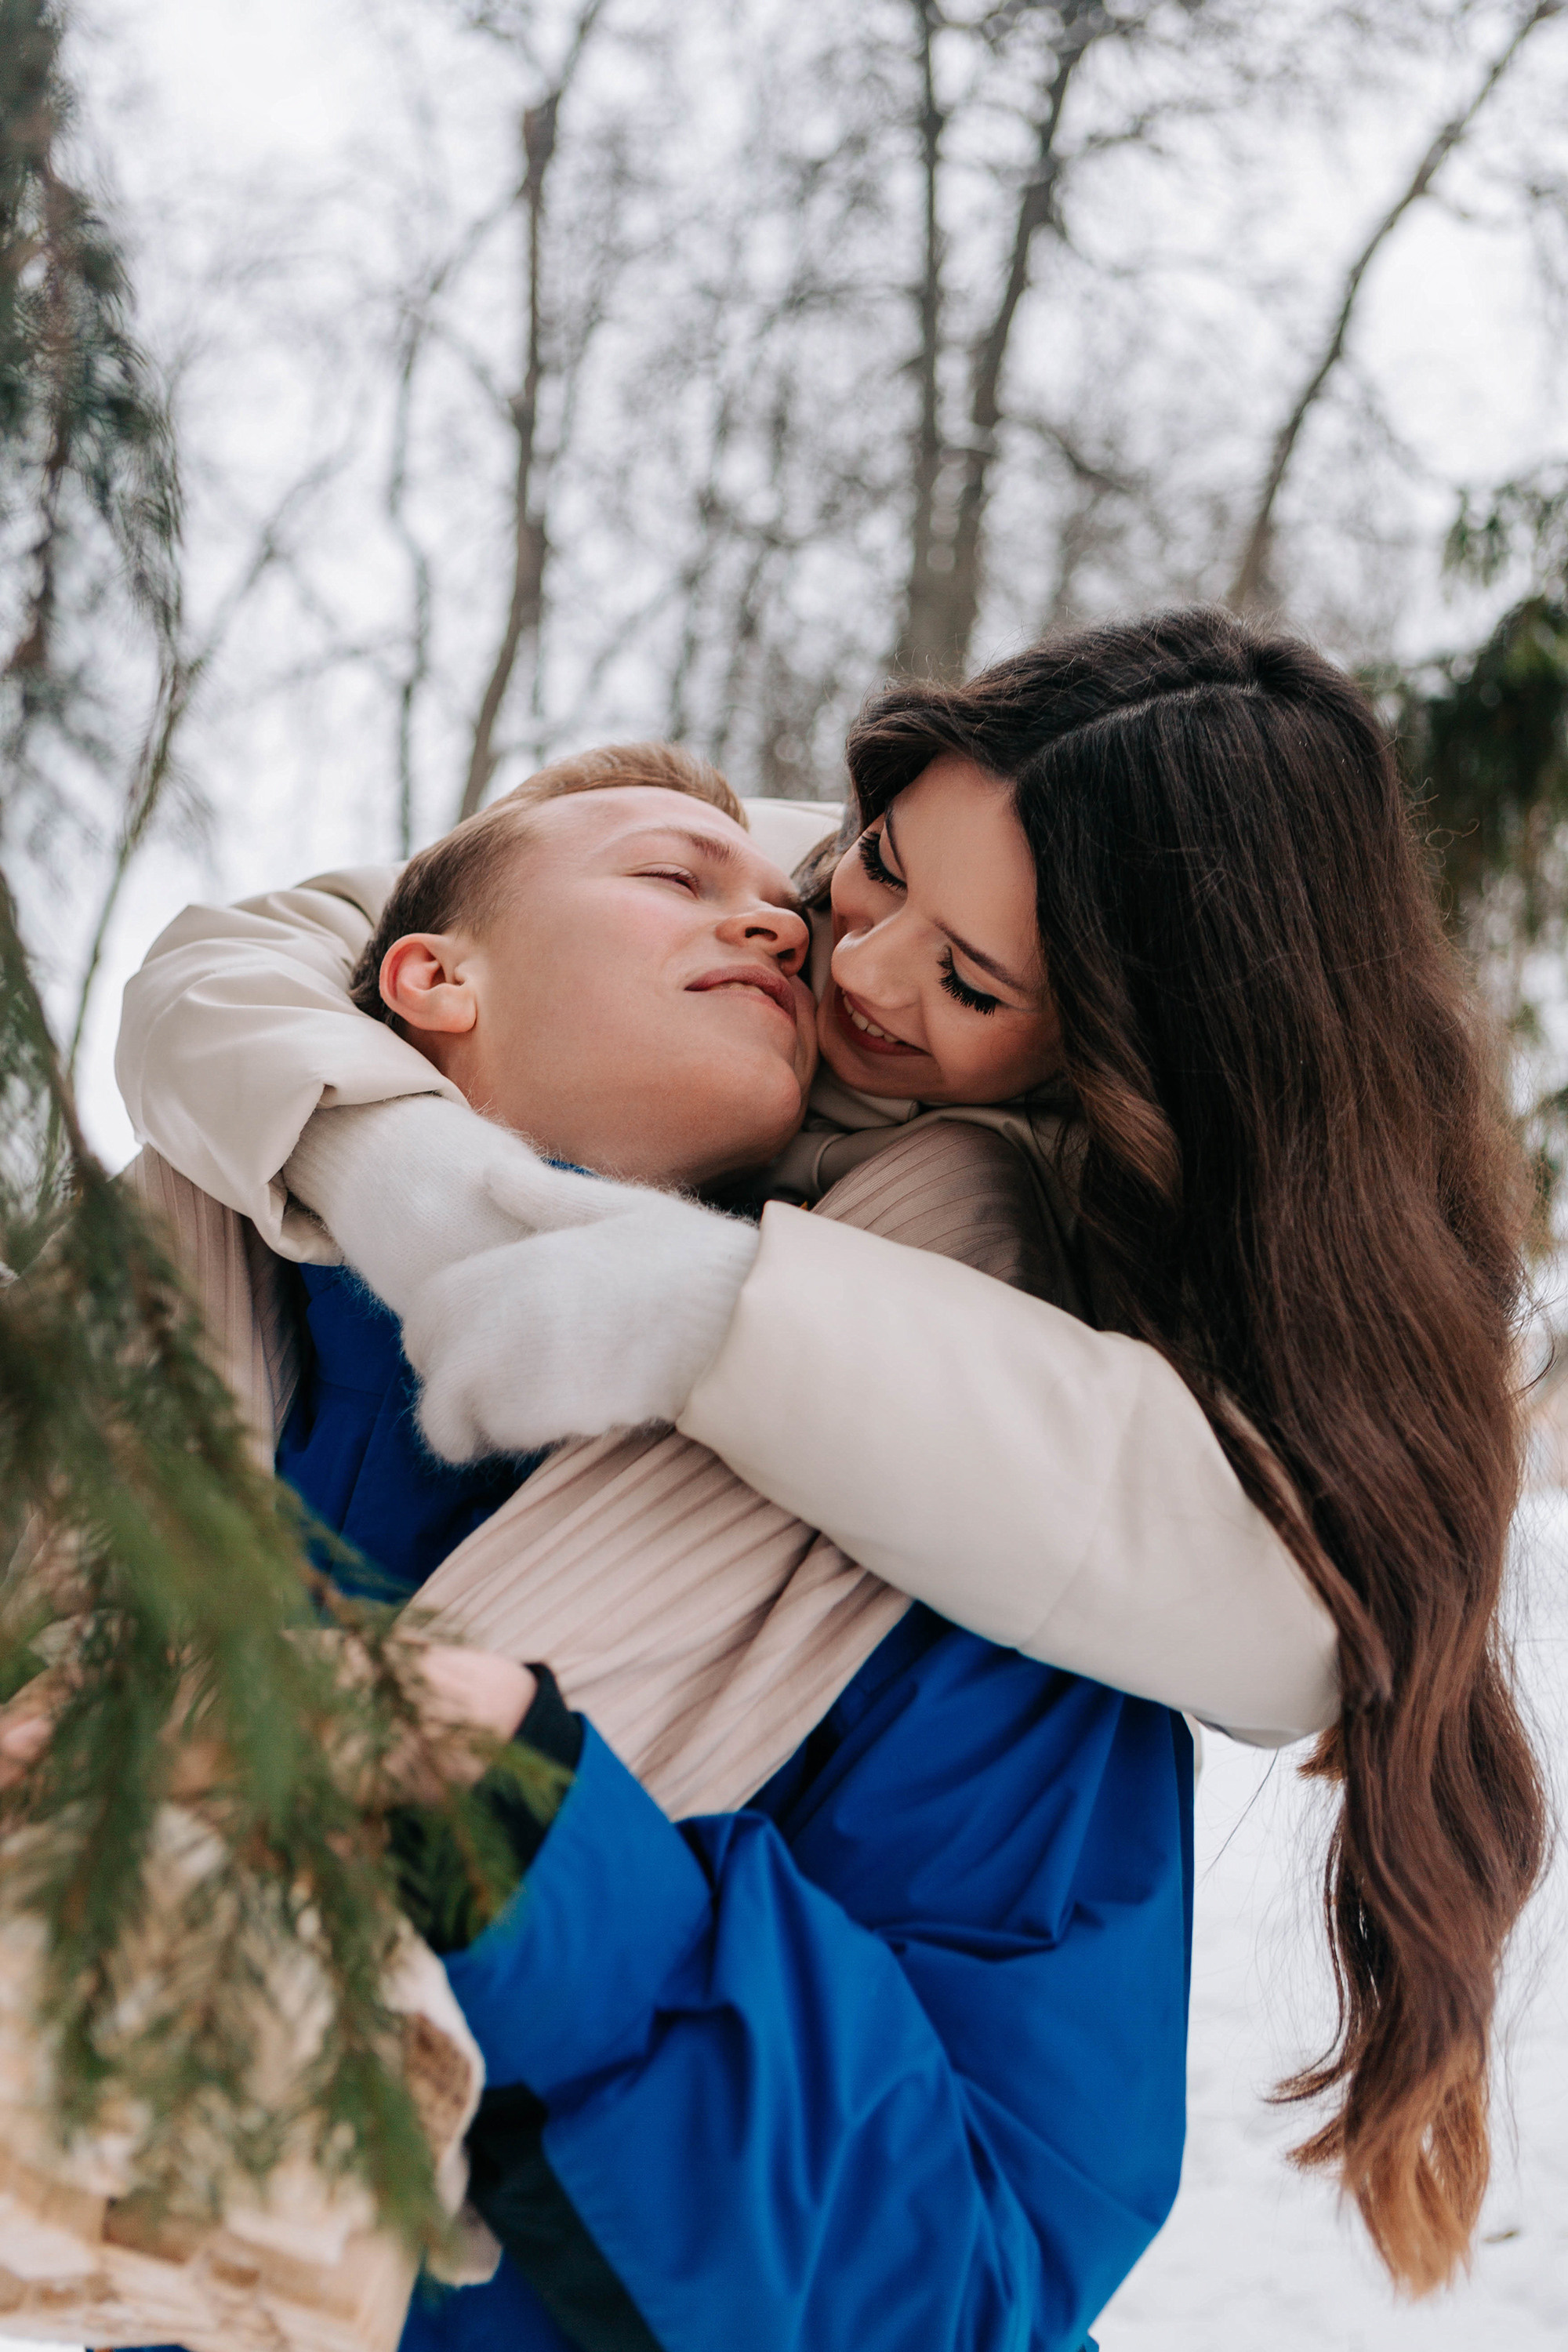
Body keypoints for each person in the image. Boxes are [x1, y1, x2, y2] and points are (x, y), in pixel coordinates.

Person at [116, 612, 1548, 2303]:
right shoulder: (169, 1332)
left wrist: (519, 1834)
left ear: (1117, 1070)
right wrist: (389, 1165)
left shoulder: (993, 1580)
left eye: (971, 984)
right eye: (875, 864)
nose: (842, 964)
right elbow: (270, 956)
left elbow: (963, 2279)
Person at [110, 741, 1200, 2352]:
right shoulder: (119, 1393)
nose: (784, 930)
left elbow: (965, 2285)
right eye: (676, 879)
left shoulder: (980, 1544)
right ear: (429, 981)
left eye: (779, 903)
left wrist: (520, 1824)